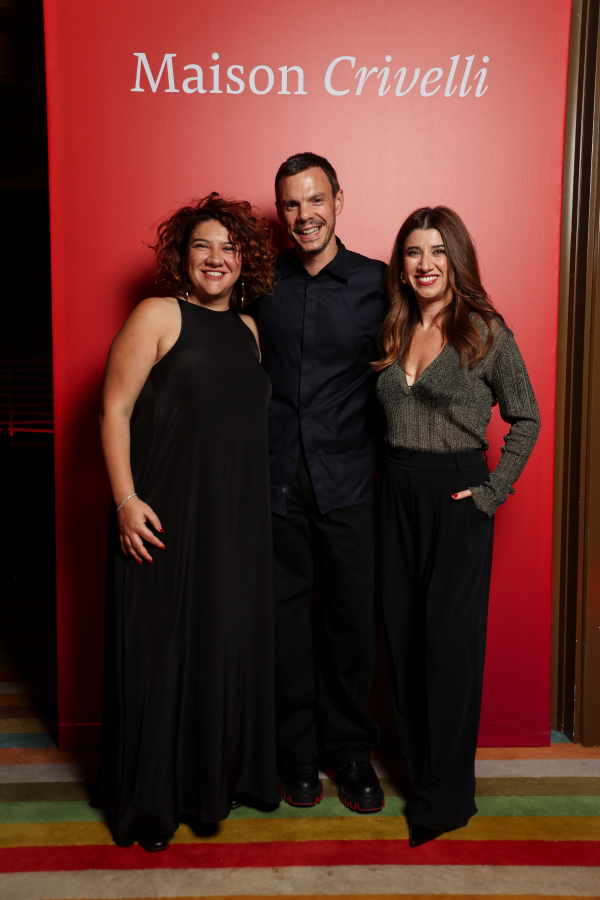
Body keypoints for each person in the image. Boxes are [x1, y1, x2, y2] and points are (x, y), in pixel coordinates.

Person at [99, 193, 279, 851]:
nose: (216, 258)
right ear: (183, 255)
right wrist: (125, 500)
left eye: (229, 248)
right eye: (202, 245)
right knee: (164, 655)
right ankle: (154, 802)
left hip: (233, 522)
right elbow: (114, 411)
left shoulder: (251, 329)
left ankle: (211, 787)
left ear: (244, 260)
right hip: (164, 517)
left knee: (217, 648)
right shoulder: (157, 315)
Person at [374, 206, 540, 847]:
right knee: (403, 639)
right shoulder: (392, 326)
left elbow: (526, 416)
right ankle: (421, 775)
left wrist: (493, 492)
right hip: (395, 492)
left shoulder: (485, 330)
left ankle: (446, 798)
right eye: (414, 252)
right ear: (402, 264)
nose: (426, 264)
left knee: (448, 647)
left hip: (456, 495)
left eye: (438, 251)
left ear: (457, 259)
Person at [251, 152, 387, 812]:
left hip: (350, 482)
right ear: (280, 212)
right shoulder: (260, 282)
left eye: (315, 200)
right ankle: (295, 753)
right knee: (284, 628)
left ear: (338, 199)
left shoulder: (378, 282)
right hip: (275, 481)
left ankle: (350, 752)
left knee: (350, 625)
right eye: (291, 204)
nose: (304, 214)